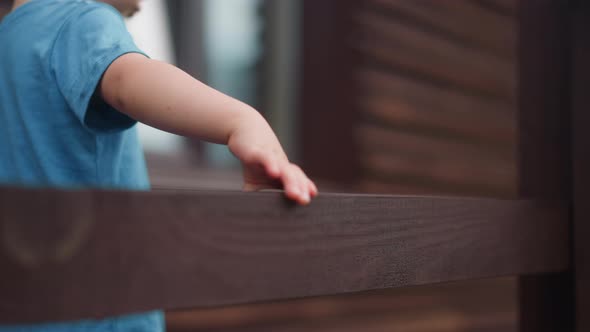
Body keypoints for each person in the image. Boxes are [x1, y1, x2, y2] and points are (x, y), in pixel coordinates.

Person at [0, 0, 318, 331]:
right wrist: (242, 121)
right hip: (99, 315)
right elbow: (128, 79)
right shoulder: (81, 19)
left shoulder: (8, 43)